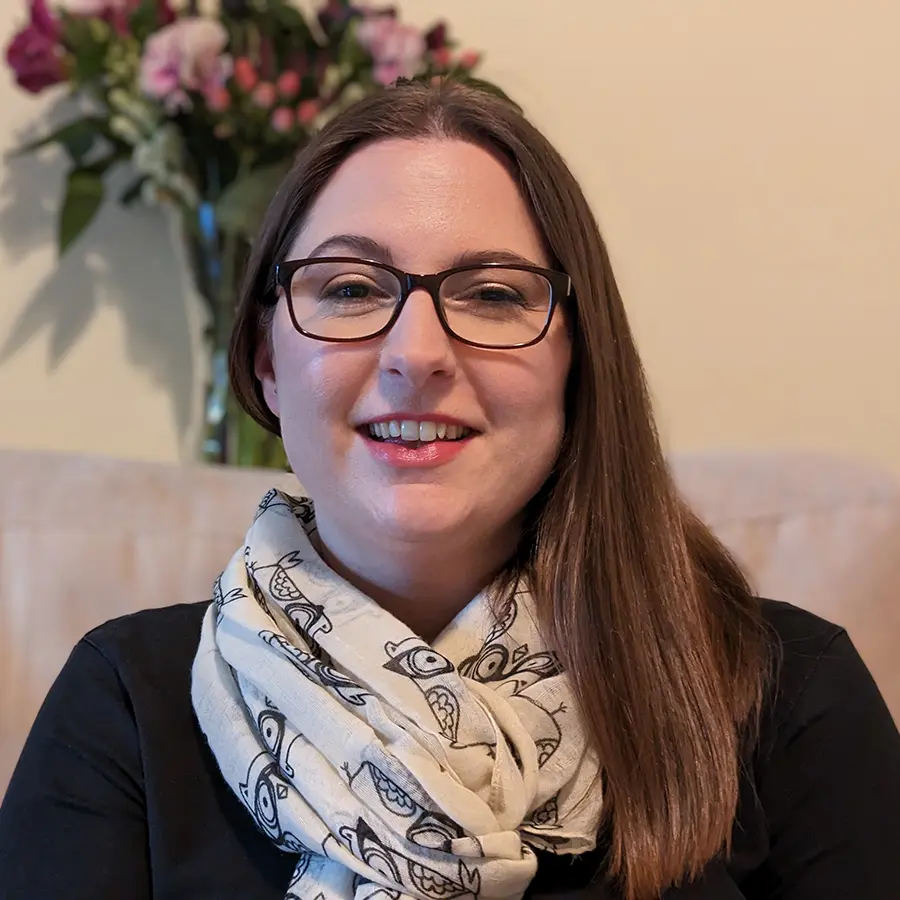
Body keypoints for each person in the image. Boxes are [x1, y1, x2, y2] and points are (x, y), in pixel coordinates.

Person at [1, 79, 898, 900]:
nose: (417, 352)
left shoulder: (787, 696)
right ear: (269, 361)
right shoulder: (127, 705)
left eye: (493, 294)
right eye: (350, 287)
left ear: (579, 364)